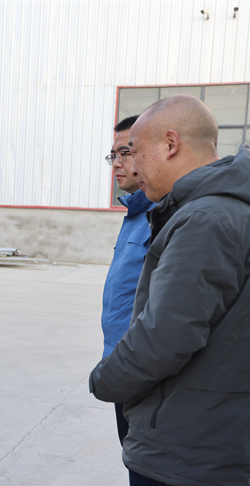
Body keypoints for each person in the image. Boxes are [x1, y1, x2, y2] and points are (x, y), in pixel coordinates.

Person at [89, 95, 250, 486]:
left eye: (135, 151)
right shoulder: (242, 213)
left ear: (170, 144)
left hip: (184, 441)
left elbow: (164, 338)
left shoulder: (208, 219)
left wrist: (104, 380)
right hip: (199, 434)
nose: (132, 166)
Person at [100, 114, 154, 446]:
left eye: (125, 152)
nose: (117, 163)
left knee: (146, 463)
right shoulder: (135, 214)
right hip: (120, 363)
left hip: (144, 370)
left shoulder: (164, 215)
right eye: (113, 155)